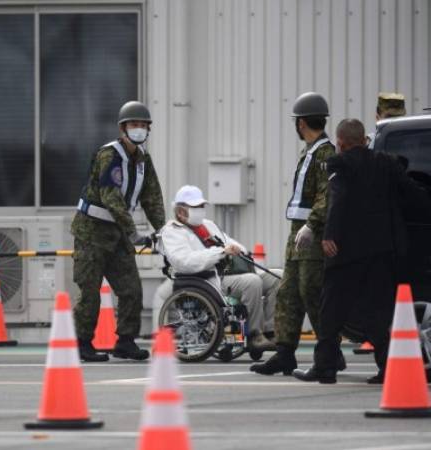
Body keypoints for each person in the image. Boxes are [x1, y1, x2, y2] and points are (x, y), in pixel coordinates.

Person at [293, 119, 431, 384]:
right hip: (382, 251)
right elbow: (412, 192)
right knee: (377, 311)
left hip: (346, 251)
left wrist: (329, 235)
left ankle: (325, 367)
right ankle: (386, 369)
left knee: (331, 309)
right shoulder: (387, 163)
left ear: (341, 142)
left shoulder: (339, 164)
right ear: (363, 140)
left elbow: (338, 198)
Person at [251, 92, 341, 375]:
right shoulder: (310, 151)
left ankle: (331, 352)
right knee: (288, 294)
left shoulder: (326, 153)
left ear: (301, 122)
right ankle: (285, 353)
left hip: (313, 236)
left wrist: (312, 225)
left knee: (312, 294)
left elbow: (327, 195)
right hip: (298, 234)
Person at [71, 101, 165, 362]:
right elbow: (110, 197)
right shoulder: (109, 155)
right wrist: (133, 232)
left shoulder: (144, 160)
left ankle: (125, 341)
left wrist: (165, 231)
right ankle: (82, 342)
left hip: (118, 234)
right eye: (134, 124)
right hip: (91, 232)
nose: (139, 129)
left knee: (131, 289)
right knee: (90, 291)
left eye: (143, 125)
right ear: (123, 128)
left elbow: (152, 198)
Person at [154, 185, 281, 352]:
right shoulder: (172, 232)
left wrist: (238, 250)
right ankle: (254, 335)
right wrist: (220, 252)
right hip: (206, 278)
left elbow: (229, 242)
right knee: (252, 282)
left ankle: (271, 331)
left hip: (228, 272)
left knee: (278, 277)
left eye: (201, 206)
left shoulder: (208, 225)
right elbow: (184, 261)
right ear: (180, 211)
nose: (200, 210)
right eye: (195, 207)